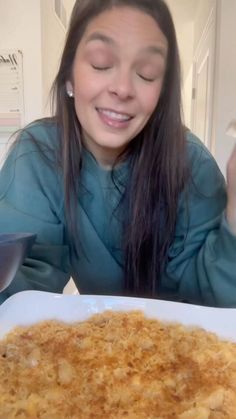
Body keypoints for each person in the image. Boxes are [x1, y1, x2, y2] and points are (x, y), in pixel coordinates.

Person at [0, 0, 236, 307]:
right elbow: (22, 287)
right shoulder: (39, 155)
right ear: (70, 76)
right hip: (94, 344)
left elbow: (213, 301)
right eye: (101, 63)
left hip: (180, 345)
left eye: (147, 73)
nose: (123, 88)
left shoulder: (192, 165)